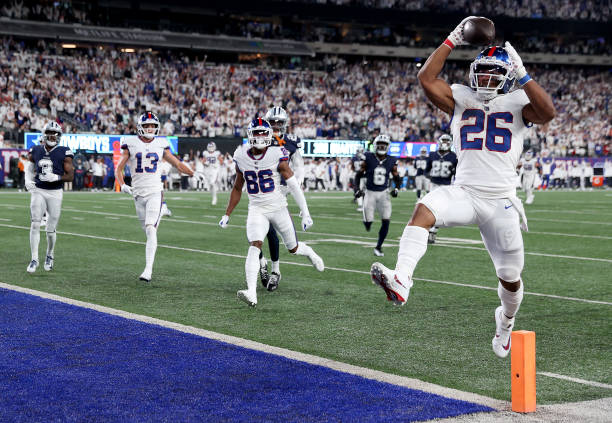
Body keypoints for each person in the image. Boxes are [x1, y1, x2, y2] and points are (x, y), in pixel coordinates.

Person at [370, 18, 555, 359]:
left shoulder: (518, 100)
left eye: (493, 73)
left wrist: (523, 72)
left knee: (510, 277)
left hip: (501, 202)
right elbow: (426, 77)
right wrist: (453, 38)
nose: (485, 78)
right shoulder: (460, 96)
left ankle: (506, 322)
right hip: (466, 192)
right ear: (473, 70)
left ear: (507, 75)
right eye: (481, 71)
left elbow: (548, 112)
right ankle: (402, 279)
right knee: (424, 209)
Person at [219, 118, 324, 307]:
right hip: (256, 209)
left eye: (262, 132)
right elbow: (237, 187)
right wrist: (227, 214)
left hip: (278, 208)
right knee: (255, 245)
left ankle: (310, 253)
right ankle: (251, 292)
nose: (259, 136)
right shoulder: (241, 154)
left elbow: (293, 185)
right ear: (250, 135)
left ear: (268, 135)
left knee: (293, 248)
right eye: (256, 132)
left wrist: (305, 212)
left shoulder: (277, 153)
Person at [115, 112, 201, 282]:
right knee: (147, 231)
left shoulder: (161, 143)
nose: (149, 128)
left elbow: (176, 163)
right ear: (140, 127)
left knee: (150, 229)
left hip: (155, 190)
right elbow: (119, 168)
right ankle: (162, 211)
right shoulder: (130, 143)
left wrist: (192, 173)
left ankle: (148, 270)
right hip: (138, 194)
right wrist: (122, 184)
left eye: (152, 126)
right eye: (146, 125)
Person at [257, 106, 305, 291]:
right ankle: (263, 263)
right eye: (273, 122)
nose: (276, 126)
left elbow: (299, 166)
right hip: (262, 189)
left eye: (279, 122)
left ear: (285, 124)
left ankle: (274, 270)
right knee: (258, 231)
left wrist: (297, 184)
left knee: (270, 231)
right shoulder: (260, 138)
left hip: (281, 190)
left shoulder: (291, 142)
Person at [25, 121, 74, 273]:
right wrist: (27, 180)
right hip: (39, 189)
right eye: (50, 133)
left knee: (50, 229)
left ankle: (50, 254)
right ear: (44, 134)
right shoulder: (36, 149)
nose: (52, 136)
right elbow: (30, 166)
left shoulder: (64, 151)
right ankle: (34, 258)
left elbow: (71, 176)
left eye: (55, 133)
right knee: (34, 223)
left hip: (55, 192)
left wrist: (57, 177)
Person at [354, 134, 401, 257]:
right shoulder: (368, 157)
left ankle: (378, 247)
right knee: (368, 222)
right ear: (375, 145)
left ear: (388, 146)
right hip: (369, 193)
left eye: (384, 145)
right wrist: (356, 189)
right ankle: (367, 223)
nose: (381, 146)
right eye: (379, 144)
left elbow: (397, 177)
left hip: (384, 193)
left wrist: (397, 188)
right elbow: (358, 175)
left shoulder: (391, 160)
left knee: (386, 221)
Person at [425, 134, 457, 243]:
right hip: (433, 184)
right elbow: (426, 169)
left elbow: (458, 172)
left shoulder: (454, 156)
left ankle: (433, 231)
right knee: (431, 209)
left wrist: (454, 172)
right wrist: (428, 175)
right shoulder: (432, 155)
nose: (444, 144)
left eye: (447, 142)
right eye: (443, 141)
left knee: (441, 210)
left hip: (446, 185)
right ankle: (429, 231)